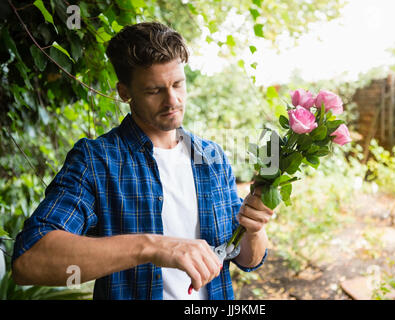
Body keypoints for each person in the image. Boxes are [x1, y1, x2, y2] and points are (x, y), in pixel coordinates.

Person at [11, 21, 273, 300]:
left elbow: (247, 259)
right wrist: (152, 247)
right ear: (124, 92)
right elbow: (29, 260)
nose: (172, 100)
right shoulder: (96, 160)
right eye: (154, 90)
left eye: (177, 84)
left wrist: (254, 230)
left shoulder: (211, 157)